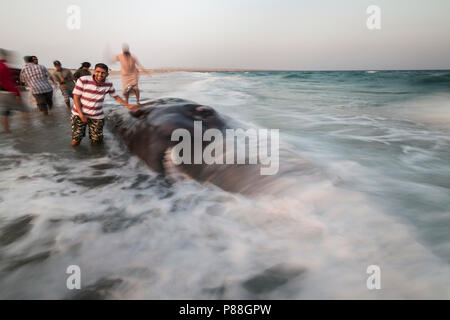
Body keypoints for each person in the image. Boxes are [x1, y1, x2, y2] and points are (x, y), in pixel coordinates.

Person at [71, 63, 138, 146]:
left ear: (107, 74)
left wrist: (127, 105)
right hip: (79, 114)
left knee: (97, 141)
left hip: (97, 115)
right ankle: (76, 155)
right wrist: (81, 115)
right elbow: (76, 97)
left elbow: (115, 96)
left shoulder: (108, 84)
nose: (100, 74)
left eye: (103, 73)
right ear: (94, 71)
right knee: (76, 140)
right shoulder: (83, 80)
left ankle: (96, 158)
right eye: (98, 71)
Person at [0, 49, 27, 133]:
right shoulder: (3, 66)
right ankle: (28, 131)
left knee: (4, 113)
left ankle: (6, 131)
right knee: (25, 110)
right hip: (7, 93)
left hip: (1, 94)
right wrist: (17, 93)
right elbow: (7, 82)